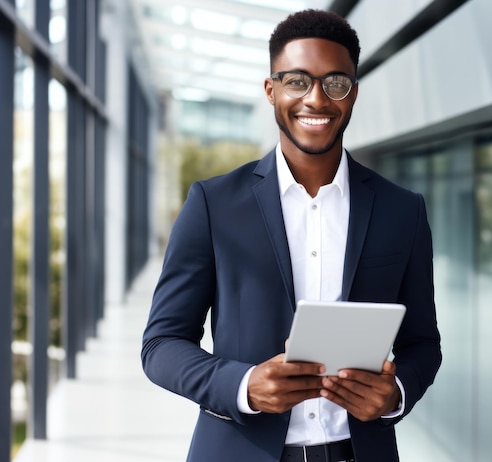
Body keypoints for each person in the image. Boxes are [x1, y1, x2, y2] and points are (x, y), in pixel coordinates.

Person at [142, 9, 441, 462]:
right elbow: (161, 345)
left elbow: (423, 343)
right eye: (298, 81)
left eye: (335, 82)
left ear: (353, 93)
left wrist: (395, 393)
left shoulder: (403, 210)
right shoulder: (213, 204)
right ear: (271, 89)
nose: (316, 99)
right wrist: (243, 386)